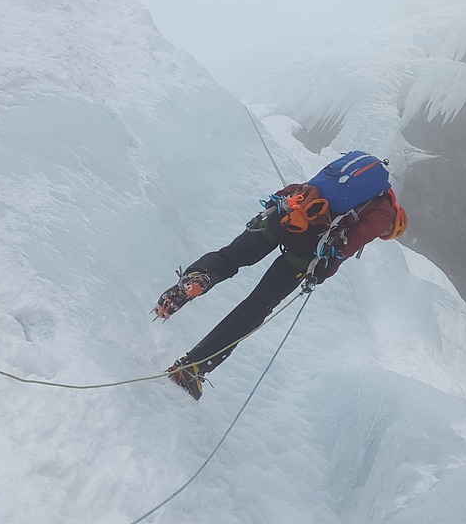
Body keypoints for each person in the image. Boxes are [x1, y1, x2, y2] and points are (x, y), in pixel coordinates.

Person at [153, 151, 407, 400]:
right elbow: (349, 244)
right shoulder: (383, 211)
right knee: (256, 307)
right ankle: (192, 368)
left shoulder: (349, 176)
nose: (383, 232)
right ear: (395, 221)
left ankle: (197, 278)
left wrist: (278, 206)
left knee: (231, 257)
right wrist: (321, 273)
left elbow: (305, 187)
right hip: (307, 249)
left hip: (285, 215)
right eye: (387, 233)